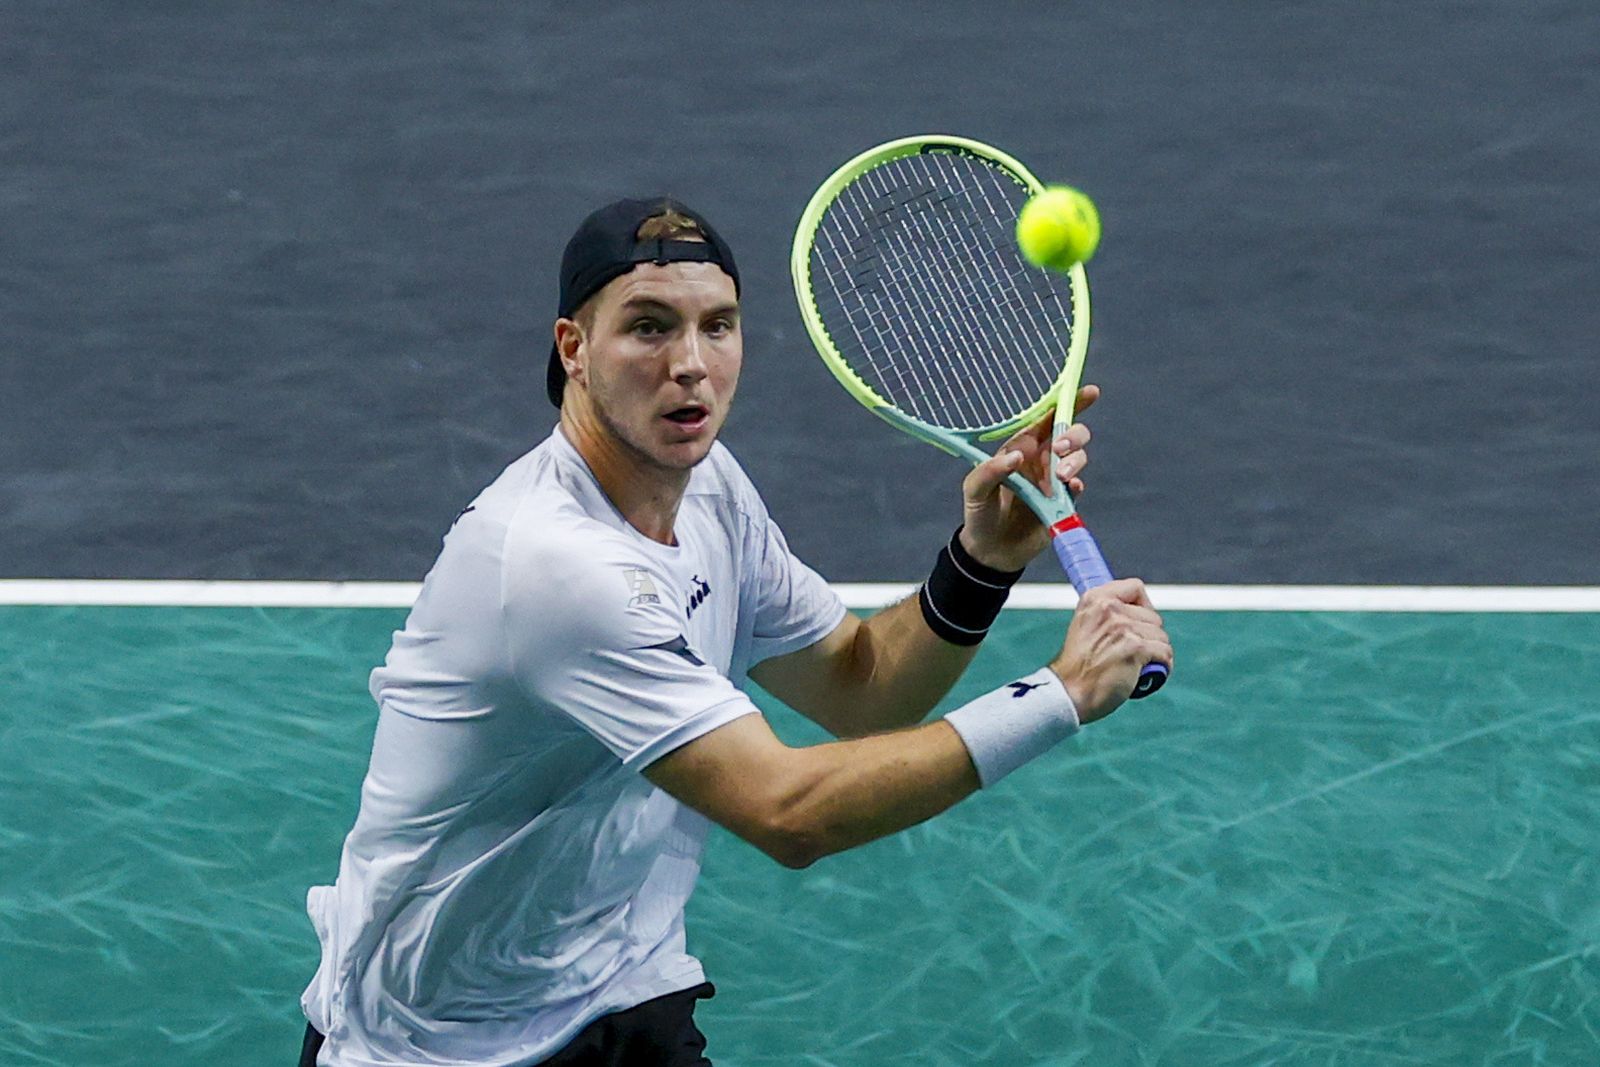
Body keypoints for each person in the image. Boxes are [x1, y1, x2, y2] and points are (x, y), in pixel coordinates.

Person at [298, 197, 1172, 1067]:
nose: (691, 365)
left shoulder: (710, 487)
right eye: (648, 328)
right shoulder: (554, 567)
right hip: (435, 1045)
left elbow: (861, 689)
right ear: (574, 349)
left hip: (618, 985)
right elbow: (790, 813)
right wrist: (1058, 694)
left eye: (717, 326)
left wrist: (983, 560)